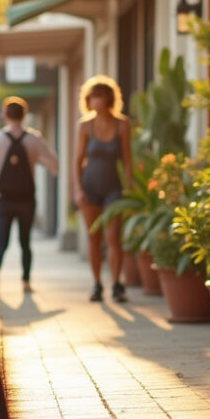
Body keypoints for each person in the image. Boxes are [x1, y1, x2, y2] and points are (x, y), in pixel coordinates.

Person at [0, 96, 59, 293]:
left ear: (4, 115)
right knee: (25, 243)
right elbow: (53, 165)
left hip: (3, 199)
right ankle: (25, 282)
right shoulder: (33, 139)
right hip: (26, 200)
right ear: (24, 115)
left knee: (1, 242)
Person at [72, 75, 133, 302]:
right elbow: (77, 161)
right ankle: (97, 284)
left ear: (108, 98)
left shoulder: (122, 124)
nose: (94, 100)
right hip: (89, 187)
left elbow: (127, 159)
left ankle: (117, 284)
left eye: (99, 96)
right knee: (93, 237)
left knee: (113, 237)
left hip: (113, 188)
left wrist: (131, 187)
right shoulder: (85, 126)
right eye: (91, 96)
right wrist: (77, 190)